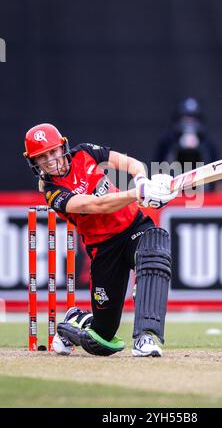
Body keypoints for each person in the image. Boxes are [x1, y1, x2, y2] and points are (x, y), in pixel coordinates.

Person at [23, 123, 177, 357]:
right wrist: (136, 194)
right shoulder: (52, 192)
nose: (50, 160)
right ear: (34, 162)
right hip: (104, 249)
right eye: (42, 156)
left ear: (62, 146)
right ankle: (74, 320)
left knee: (154, 252)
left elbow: (131, 164)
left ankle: (145, 337)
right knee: (102, 338)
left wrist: (143, 181)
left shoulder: (85, 152)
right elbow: (95, 205)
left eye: (53, 151)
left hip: (133, 226)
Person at [155, 97, 222, 191]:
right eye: (186, 117)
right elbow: (157, 168)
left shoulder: (207, 142)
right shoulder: (168, 140)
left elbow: (218, 174)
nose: (189, 122)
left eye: (193, 118)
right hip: (172, 191)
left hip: (203, 193)